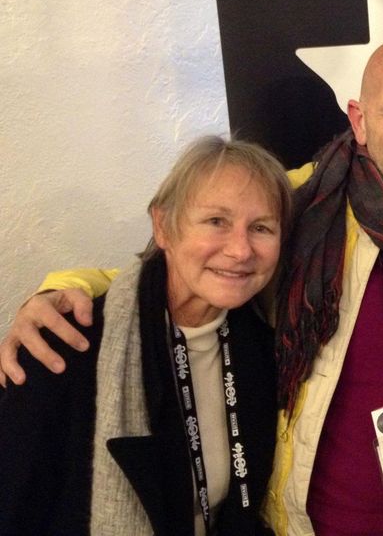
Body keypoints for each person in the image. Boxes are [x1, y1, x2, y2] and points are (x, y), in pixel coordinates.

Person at [0, 39, 383, 536]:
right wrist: (59, 291)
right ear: (359, 120)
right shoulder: (296, 205)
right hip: (313, 523)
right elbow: (180, 270)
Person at [0, 135, 289, 534]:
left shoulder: (262, 344)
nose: (241, 250)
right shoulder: (64, 346)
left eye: (261, 227)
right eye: (216, 221)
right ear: (163, 225)